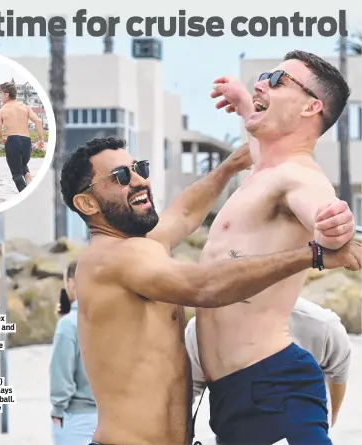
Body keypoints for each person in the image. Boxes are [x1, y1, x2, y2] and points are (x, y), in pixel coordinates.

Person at [58, 136, 360, 445]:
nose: (138, 180)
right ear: (87, 203)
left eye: (139, 168)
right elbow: (206, 286)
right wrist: (313, 255)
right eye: (121, 176)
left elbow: (184, 214)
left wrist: (229, 167)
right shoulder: (109, 258)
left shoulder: (140, 245)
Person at [195, 49, 358, 444]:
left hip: (272, 386)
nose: (260, 83)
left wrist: (336, 229)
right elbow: (263, 147)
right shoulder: (265, 169)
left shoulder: (299, 178)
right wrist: (243, 104)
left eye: (277, 80)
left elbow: (326, 221)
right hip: (237, 393)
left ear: (311, 108)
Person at [185, 297, 352, 442]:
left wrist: (330, 420)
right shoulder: (201, 330)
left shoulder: (321, 325)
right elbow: (185, 397)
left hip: (300, 411)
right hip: (236, 420)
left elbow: (338, 374)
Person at [50, 260, 97, 445]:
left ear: (72, 283)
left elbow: (61, 378)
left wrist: (57, 411)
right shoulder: (113, 319)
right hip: (110, 418)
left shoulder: (69, 326)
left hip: (77, 418)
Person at [0, 81, 45, 192]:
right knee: (22, 165)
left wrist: (1, 138)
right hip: (26, 142)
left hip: (13, 141)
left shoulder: (2, 111)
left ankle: (28, 197)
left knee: (16, 175)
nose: (0, 96)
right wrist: (41, 139)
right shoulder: (25, 108)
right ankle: (29, 178)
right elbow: (38, 122)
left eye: (1, 93)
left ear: (6, 95)